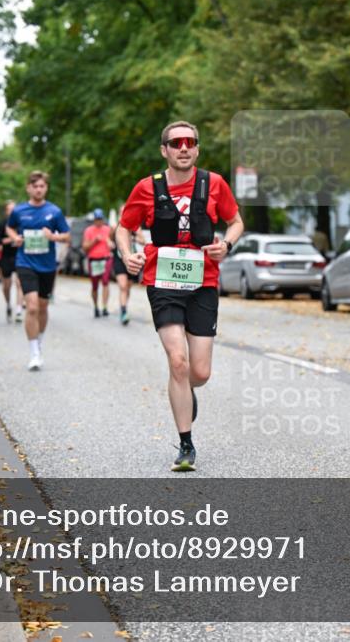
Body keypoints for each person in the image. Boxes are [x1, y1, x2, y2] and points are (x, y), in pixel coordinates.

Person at [117, 121, 244, 472]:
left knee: (199, 372)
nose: (183, 148)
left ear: (197, 149)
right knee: (178, 361)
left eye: (189, 142)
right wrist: (127, 254)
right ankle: (186, 444)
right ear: (165, 151)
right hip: (163, 281)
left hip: (203, 281)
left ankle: (188, 392)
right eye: (176, 143)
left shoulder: (214, 183)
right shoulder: (147, 188)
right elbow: (124, 228)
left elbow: (236, 222)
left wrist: (227, 244)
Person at [6, 171, 70, 370]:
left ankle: (39, 341)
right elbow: (10, 228)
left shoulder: (54, 211)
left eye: (42, 186)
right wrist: (15, 237)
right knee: (32, 307)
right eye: (35, 186)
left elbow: (67, 236)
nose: (39, 189)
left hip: (47, 265)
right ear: (28, 188)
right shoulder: (19, 211)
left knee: (42, 307)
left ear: (46, 188)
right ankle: (34, 353)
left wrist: (54, 237)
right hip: (25, 263)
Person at [0, 201, 24, 323]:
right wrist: (10, 239)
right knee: (7, 285)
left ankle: (18, 310)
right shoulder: (2, 225)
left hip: (20, 256)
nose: (12, 211)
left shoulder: (22, 223)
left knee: (19, 283)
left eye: (14, 209)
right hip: (6, 257)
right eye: (9, 209)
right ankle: (8, 304)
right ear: (6, 211)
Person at [82, 208, 113, 318]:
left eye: (100, 219)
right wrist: (94, 241)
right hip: (94, 260)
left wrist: (111, 244)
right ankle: (96, 306)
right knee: (95, 286)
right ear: (94, 220)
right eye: (97, 219)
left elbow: (112, 242)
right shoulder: (89, 230)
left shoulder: (108, 229)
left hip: (106, 258)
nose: (99, 221)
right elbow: (85, 247)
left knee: (105, 282)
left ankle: (104, 307)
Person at [111, 223, 144, 325]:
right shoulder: (116, 227)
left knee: (127, 287)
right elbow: (109, 238)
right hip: (119, 259)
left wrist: (136, 238)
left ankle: (124, 306)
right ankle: (124, 311)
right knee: (123, 286)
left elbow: (143, 241)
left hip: (132, 259)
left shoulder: (136, 227)